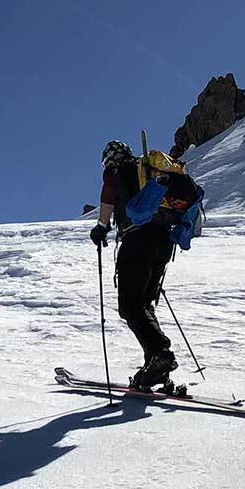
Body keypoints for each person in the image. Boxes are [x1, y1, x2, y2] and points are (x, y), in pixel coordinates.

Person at [89, 140, 180, 392]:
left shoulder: (117, 171)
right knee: (143, 303)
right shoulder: (150, 171)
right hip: (163, 241)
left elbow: (109, 193)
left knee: (129, 305)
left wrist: (102, 225)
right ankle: (154, 365)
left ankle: (160, 354)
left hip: (138, 238)